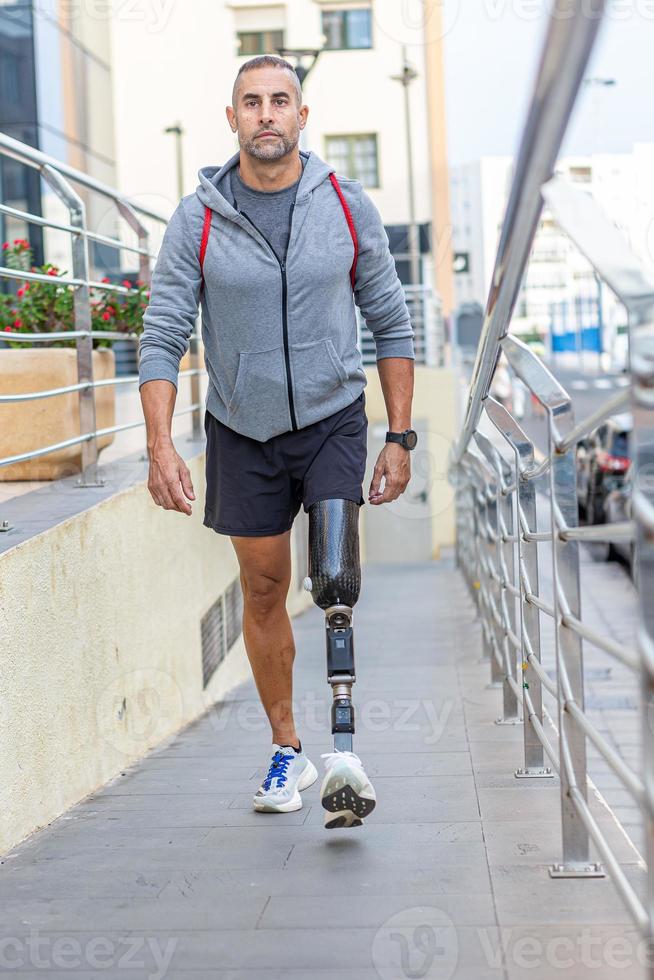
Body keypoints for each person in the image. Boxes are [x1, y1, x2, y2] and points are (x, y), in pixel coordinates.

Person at [138, 55, 417, 828]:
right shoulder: (196, 219)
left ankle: (347, 751)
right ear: (231, 119)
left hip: (331, 416)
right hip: (241, 430)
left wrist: (399, 435)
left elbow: (391, 321)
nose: (267, 114)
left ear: (302, 116)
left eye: (280, 101)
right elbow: (161, 336)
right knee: (263, 590)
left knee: (332, 580)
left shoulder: (344, 202)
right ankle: (288, 746)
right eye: (251, 102)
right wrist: (160, 445)